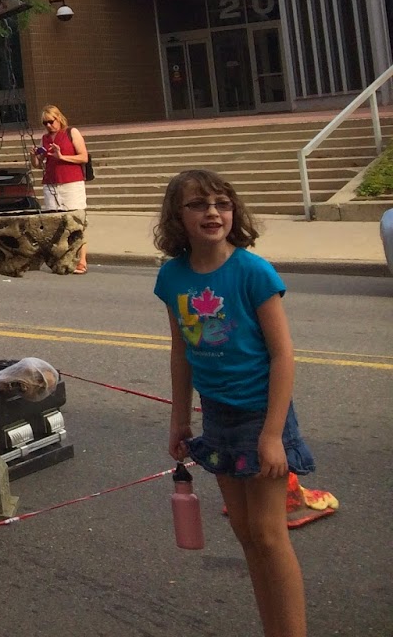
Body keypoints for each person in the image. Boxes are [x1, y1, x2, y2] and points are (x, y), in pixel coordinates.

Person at [153, 168, 310, 637]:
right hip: (216, 414)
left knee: (267, 534)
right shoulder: (172, 276)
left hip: (262, 412)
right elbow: (181, 351)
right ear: (177, 217)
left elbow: (283, 355)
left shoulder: (252, 272)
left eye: (221, 202)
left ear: (234, 210)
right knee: (245, 534)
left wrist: (272, 435)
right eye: (199, 205)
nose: (213, 212)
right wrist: (179, 419)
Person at [32, 103, 89, 271]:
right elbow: (37, 165)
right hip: (51, 183)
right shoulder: (45, 138)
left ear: (59, 118)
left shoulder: (71, 133)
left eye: (51, 121)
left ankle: (81, 260)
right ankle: (61, 258)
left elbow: (83, 157)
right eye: (45, 123)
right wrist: (35, 157)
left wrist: (62, 156)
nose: (49, 126)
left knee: (76, 221)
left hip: (71, 182)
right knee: (55, 223)